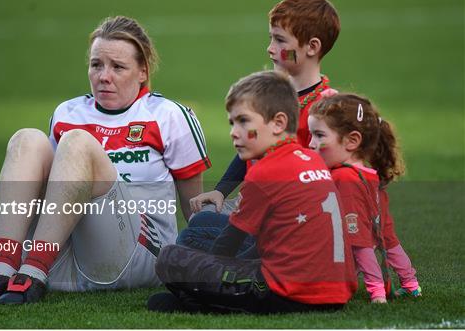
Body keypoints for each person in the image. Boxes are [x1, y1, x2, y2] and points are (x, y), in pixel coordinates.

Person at [0, 16, 211, 305]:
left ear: (143, 71)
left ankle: (32, 270)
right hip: (64, 255)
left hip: (138, 254)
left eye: (118, 67)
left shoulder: (169, 115)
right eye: (97, 65)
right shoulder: (67, 113)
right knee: (26, 139)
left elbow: (194, 208)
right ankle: (4, 269)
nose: (104, 76)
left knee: (77, 142)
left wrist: (207, 264)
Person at [149, 71, 357, 314]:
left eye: (244, 121)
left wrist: (203, 277)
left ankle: (202, 303)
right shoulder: (311, 158)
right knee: (203, 227)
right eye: (232, 123)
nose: (234, 132)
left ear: (278, 123)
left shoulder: (266, 171)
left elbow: (227, 245)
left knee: (169, 257)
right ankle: (203, 299)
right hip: (336, 292)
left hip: (292, 295)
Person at [179, 0, 341, 253]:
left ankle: (249, 268)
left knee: (192, 242)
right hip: (259, 207)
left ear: (312, 47)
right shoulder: (272, 94)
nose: (270, 48)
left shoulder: (325, 109)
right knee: (199, 222)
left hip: (294, 220)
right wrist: (221, 191)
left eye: (279, 40)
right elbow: (251, 146)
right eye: (270, 38)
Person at [308, 93, 421, 303]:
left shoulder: (343, 176)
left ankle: (378, 292)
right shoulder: (368, 173)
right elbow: (385, 239)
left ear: (352, 141)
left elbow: (358, 241)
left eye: (319, 135)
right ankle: (412, 285)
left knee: (361, 243)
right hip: (373, 226)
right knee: (389, 241)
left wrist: (377, 291)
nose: (311, 144)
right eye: (311, 134)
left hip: (353, 237)